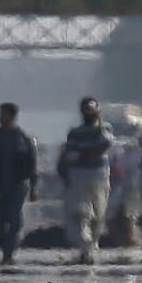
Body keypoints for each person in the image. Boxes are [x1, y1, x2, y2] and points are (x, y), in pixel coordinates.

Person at [0, 103, 38, 265]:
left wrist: (34, 186)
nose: (0, 117)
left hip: (18, 185)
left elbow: (32, 164)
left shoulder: (23, 138)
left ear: (12, 116)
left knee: (14, 219)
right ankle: (6, 247)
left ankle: (8, 252)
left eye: (3, 114)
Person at [59, 97, 114, 265]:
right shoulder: (75, 132)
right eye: (87, 109)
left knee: (99, 213)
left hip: (99, 174)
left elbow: (106, 143)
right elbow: (71, 155)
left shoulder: (104, 128)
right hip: (80, 175)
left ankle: (91, 245)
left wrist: (85, 153)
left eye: (93, 109)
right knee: (81, 213)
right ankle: (85, 248)